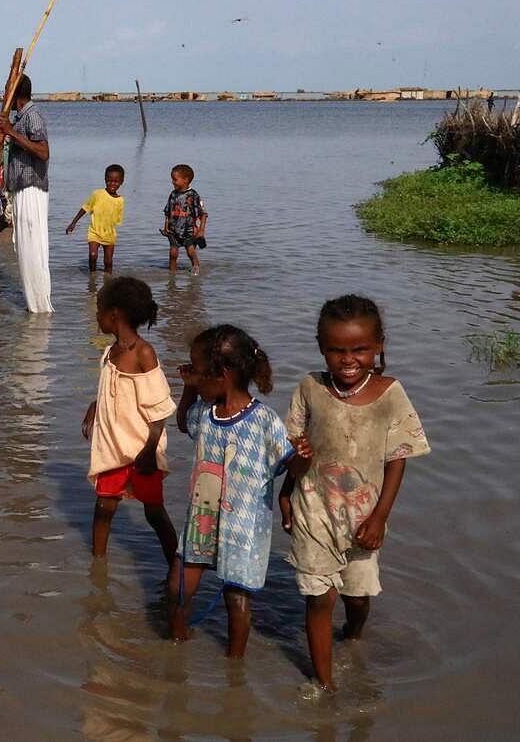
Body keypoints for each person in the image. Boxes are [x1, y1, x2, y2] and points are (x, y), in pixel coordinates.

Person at [279, 295, 430, 691]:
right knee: (319, 599)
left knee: (357, 596)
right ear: (322, 348)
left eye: (360, 350)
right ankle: (324, 684)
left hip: (363, 515)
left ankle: (355, 634)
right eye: (337, 350)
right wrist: (289, 482)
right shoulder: (309, 388)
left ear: (378, 345)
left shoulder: (390, 393)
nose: (349, 360)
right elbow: (293, 459)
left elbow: (398, 458)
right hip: (312, 509)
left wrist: (379, 516)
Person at [170, 325, 304, 657]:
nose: (193, 376)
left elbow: (292, 466)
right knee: (178, 584)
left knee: (236, 597)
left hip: (244, 527)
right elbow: (184, 421)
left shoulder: (264, 421)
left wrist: (303, 458)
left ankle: (235, 662)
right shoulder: (206, 411)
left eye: (198, 372)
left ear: (223, 374)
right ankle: (175, 644)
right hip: (202, 516)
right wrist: (188, 389)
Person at [80, 277, 178, 564]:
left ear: (114, 314)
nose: (96, 316)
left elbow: (159, 409)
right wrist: (96, 405)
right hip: (113, 446)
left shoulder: (143, 353)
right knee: (104, 506)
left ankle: (176, 566)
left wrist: (150, 449)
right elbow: (114, 389)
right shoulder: (112, 351)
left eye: (98, 310)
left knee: (154, 511)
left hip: (140, 447)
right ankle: (97, 568)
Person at [0, 74, 53, 312]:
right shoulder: (19, 118)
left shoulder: (33, 115)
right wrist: (6, 131)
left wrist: (12, 131)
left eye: (7, 89)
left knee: (33, 248)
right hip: (19, 188)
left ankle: (41, 306)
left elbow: (43, 151)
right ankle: (34, 306)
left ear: (15, 94)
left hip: (32, 188)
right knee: (24, 249)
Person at [66, 164, 125, 273]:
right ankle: (92, 276)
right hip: (94, 232)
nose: (112, 184)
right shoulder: (97, 194)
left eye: (116, 181)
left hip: (109, 234)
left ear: (121, 182)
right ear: (105, 179)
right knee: (93, 255)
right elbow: (85, 208)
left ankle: (109, 280)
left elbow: (117, 220)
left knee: (108, 262)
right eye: (109, 180)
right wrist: (73, 222)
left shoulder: (120, 200)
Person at [161, 164, 207, 275]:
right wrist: (166, 226)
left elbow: (203, 214)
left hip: (189, 230)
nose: (172, 182)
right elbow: (167, 212)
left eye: (175, 179)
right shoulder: (173, 194)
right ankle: (171, 275)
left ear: (185, 180)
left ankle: (196, 267)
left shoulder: (193, 195)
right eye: (172, 179)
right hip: (173, 230)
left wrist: (201, 230)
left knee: (190, 252)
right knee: (172, 253)